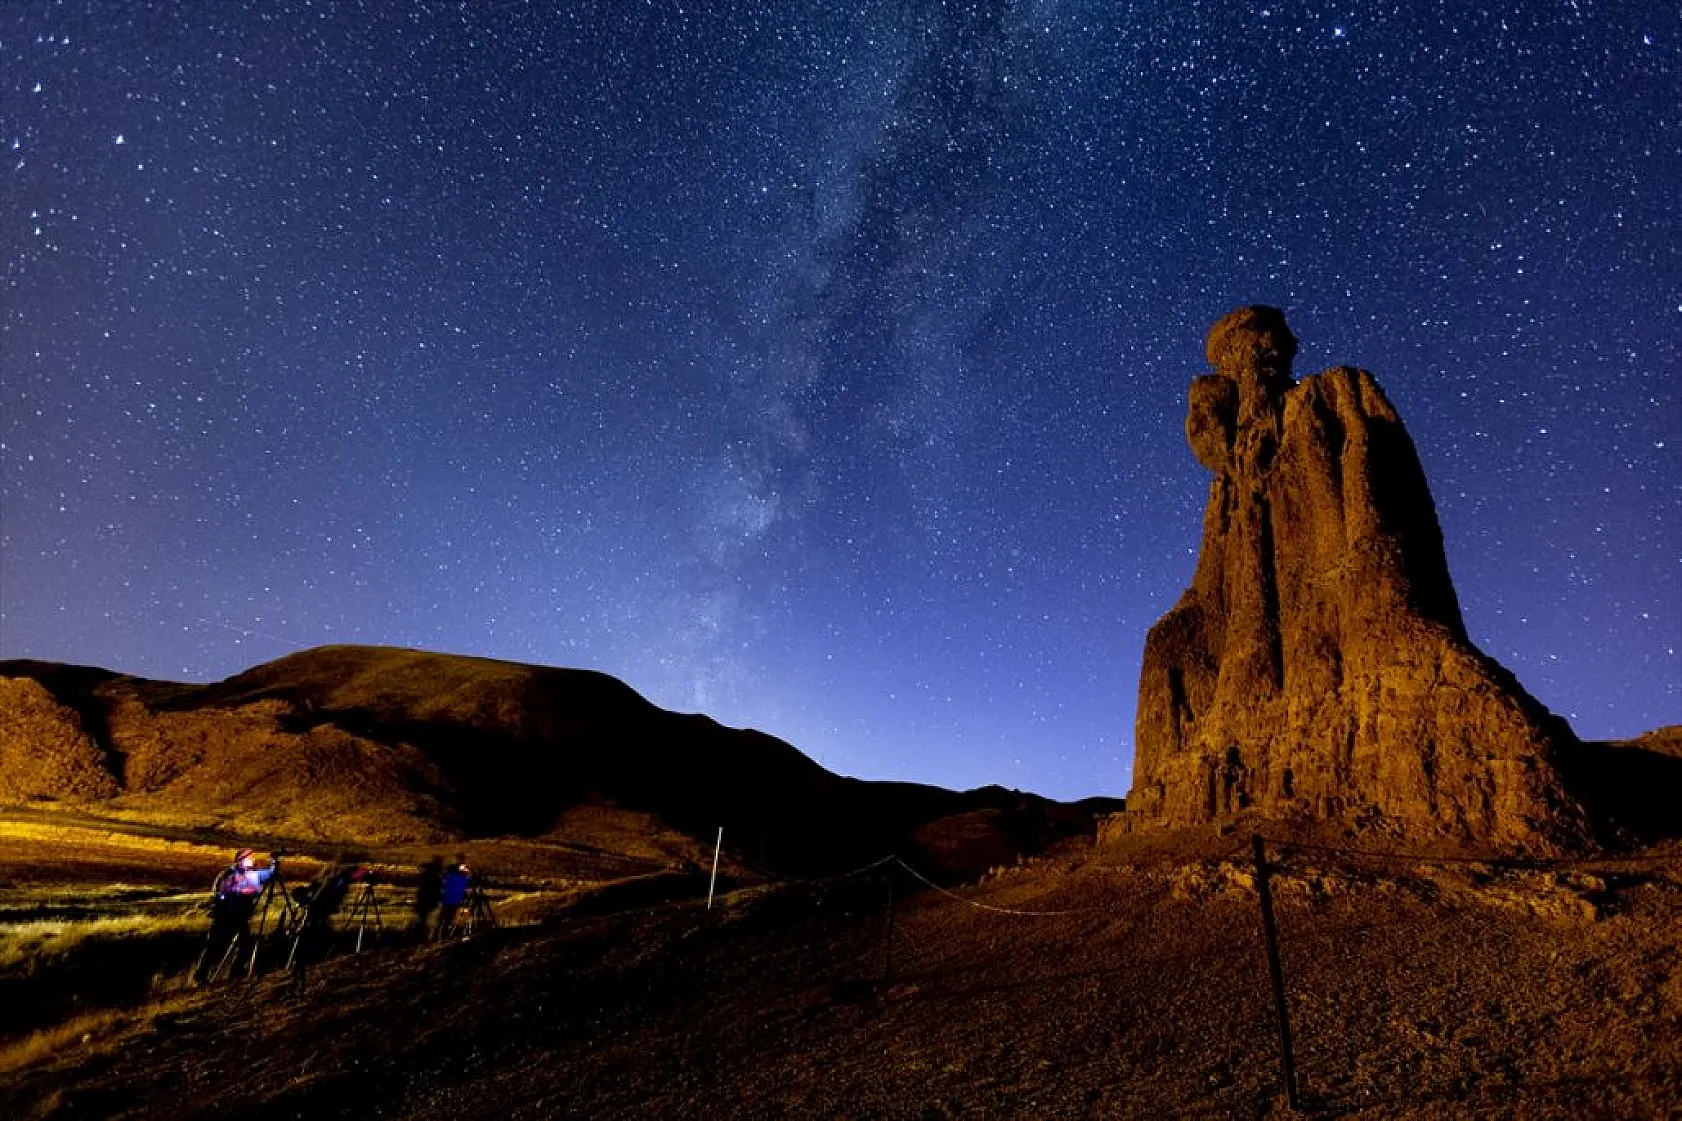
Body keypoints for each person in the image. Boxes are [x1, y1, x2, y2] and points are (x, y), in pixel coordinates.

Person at [194, 848, 277, 982]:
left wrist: (274, 862)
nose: (252, 860)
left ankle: (236, 971)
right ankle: (201, 974)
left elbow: (271, 874)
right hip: (225, 917)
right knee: (215, 946)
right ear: (240, 861)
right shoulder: (228, 875)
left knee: (245, 945)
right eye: (249, 858)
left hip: (240, 918)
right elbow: (221, 893)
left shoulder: (254, 874)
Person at [437, 856, 471, 939]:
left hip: (448, 899)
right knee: (447, 919)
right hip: (453, 900)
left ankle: (441, 936)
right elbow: (467, 877)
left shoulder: (451, 874)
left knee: (445, 920)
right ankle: (444, 936)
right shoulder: (458, 874)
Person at [414, 856, 444, 941]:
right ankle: (427, 938)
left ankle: (423, 938)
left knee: (425, 921)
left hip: (425, 902)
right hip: (429, 902)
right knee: (430, 922)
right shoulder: (434, 877)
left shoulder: (426, 875)